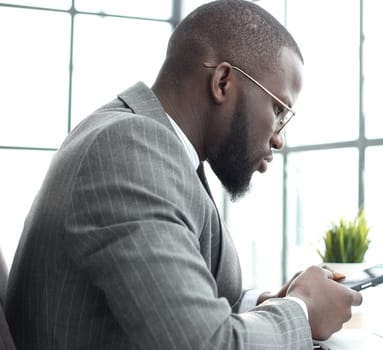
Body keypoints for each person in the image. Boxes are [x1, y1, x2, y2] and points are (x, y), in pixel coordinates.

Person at [5, 1, 362, 348]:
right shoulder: (129, 148)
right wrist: (300, 311)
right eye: (278, 109)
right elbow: (204, 343)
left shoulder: (158, 147)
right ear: (223, 82)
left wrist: (273, 301)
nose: (279, 138)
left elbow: (186, 300)